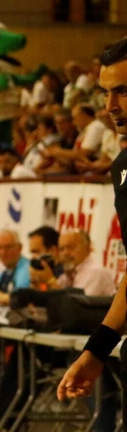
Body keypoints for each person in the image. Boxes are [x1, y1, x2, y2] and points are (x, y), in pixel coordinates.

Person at [57, 41, 127, 403]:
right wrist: (97, 350)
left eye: (123, 91)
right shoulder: (122, 167)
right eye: (106, 93)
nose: (111, 106)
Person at [45, 230, 117, 297]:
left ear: (88, 248)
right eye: (61, 249)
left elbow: (77, 304)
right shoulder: (67, 276)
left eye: (71, 247)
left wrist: (50, 280)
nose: (65, 253)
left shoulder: (96, 273)